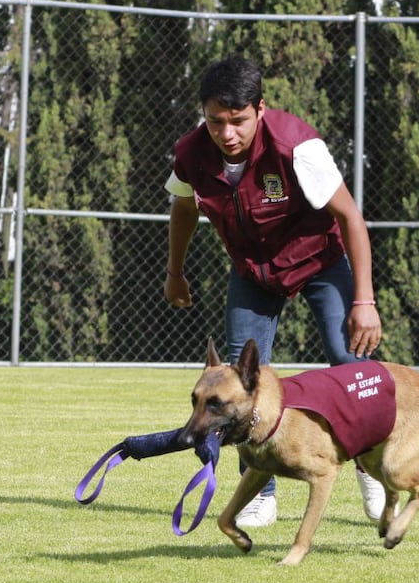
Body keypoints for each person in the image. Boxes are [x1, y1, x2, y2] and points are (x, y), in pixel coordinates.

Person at [163, 54, 385, 527]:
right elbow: (183, 208)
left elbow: (350, 217)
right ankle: (259, 491)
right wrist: (174, 271)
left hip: (320, 262)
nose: (226, 133)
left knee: (350, 363)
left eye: (238, 121)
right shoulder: (190, 153)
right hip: (252, 272)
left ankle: (371, 467)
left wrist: (364, 301)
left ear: (259, 109)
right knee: (239, 378)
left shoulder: (296, 146)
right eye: (215, 121)